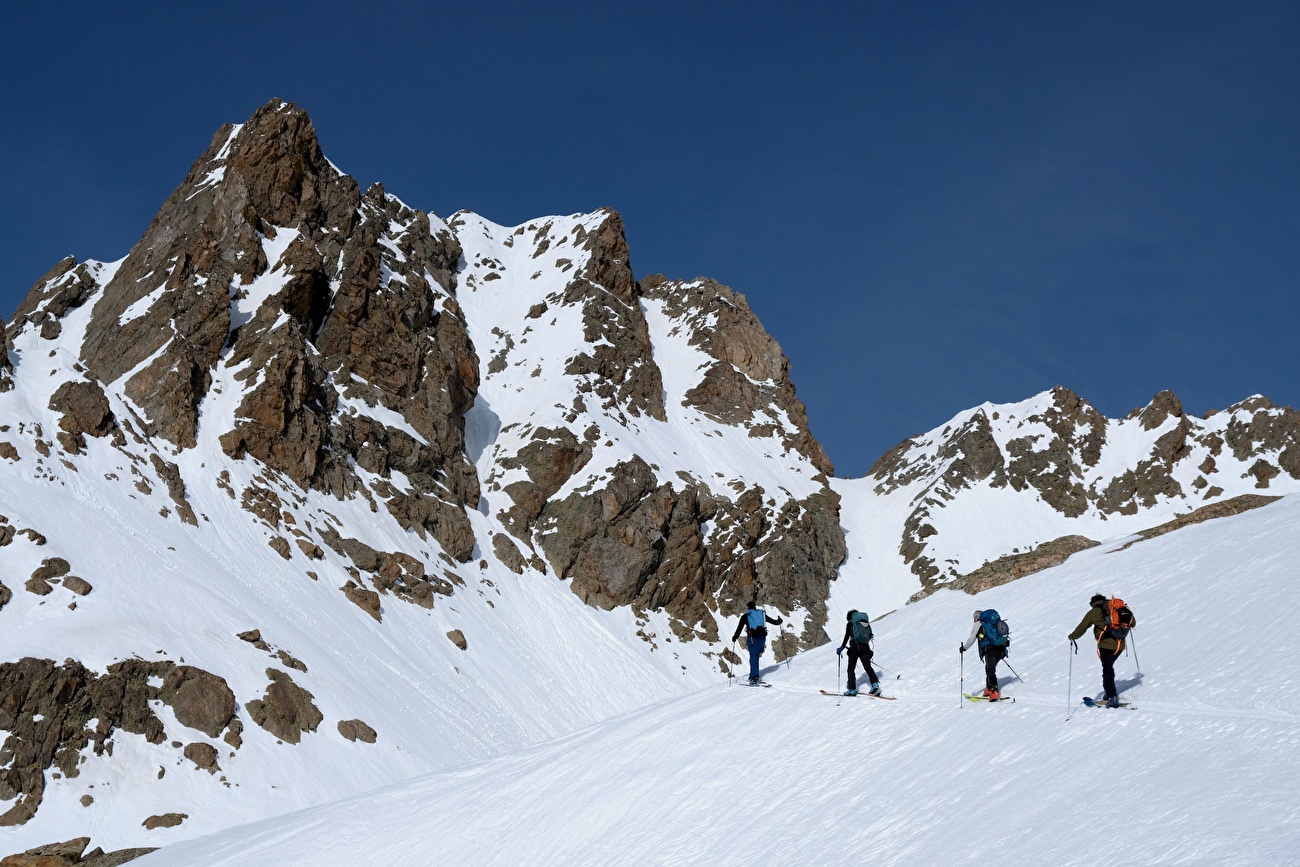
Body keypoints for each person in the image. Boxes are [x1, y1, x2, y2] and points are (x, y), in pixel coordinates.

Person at [1068, 593, 1137, 708]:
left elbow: (1082, 627)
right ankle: (1108, 693)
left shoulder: (1094, 611)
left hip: (1106, 645)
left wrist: (1072, 636)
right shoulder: (1118, 609)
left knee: (1107, 669)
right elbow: (1132, 623)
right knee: (1108, 668)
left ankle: (1111, 696)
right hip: (1120, 646)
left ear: (1093, 603)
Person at [731, 600, 784, 685]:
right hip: (762, 638)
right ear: (755, 607)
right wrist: (779, 621)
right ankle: (752, 675)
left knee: (753, 657)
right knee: (756, 656)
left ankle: (754, 677)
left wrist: (735, 637)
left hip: (753, 638)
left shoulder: (746, 616)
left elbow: (739, 629)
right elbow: (774, 622)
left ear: (748, 608)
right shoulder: (761, 614)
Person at [960, 609, 1007, 700]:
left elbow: (971, 639)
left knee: (990, 669)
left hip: (990, 649)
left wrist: (964, 648)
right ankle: (989, 688)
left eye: (974, 617)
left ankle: (994, 691)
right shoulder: (994, 622)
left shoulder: (979, 624)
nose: (974, 619)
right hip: (1001, 648)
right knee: (989, 668)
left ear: (977, 617)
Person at [835, 609, 880, 696]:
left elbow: (847, 636)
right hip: (865, 646)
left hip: (855, 646)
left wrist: (842, 647)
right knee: (868, 667)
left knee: (851, 668)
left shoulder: (851, 623)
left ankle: (852, 689)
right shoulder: (864, 622)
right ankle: (875, 683)